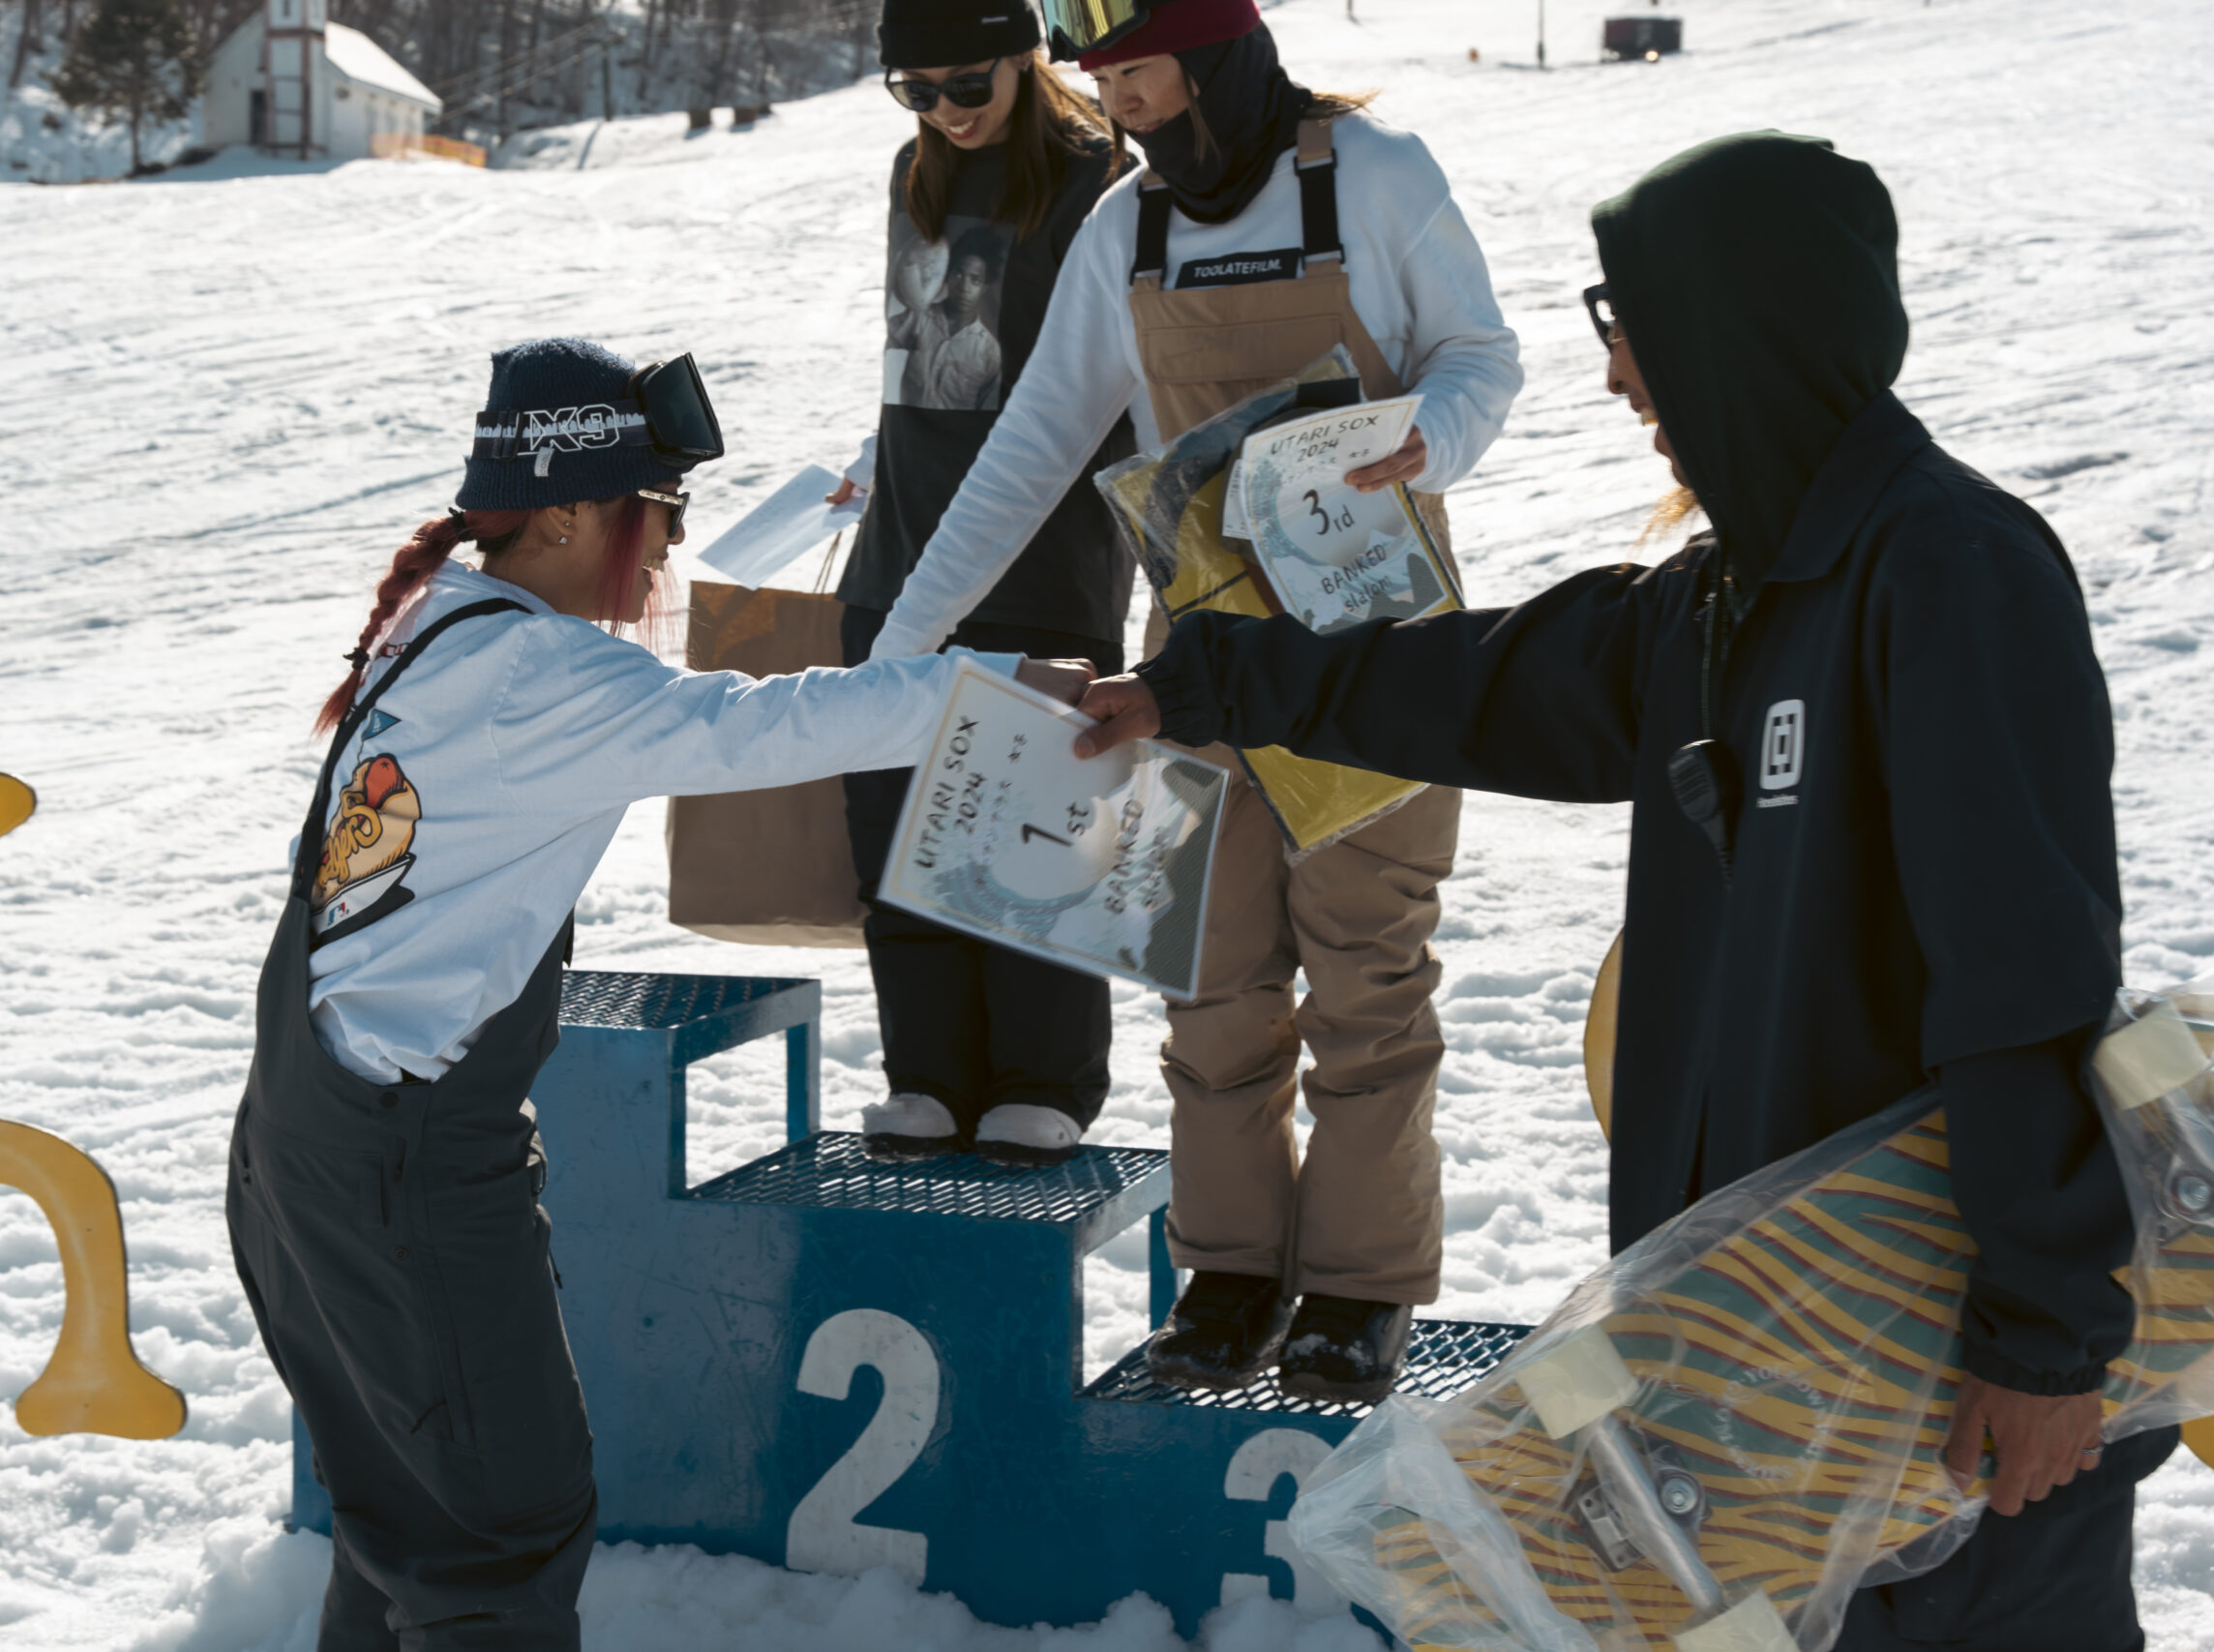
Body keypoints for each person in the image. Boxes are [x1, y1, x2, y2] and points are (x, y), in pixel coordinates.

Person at [1077, 132, 2171, 1651]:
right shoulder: (1725, 600)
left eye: (1631, 324)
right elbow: (1470, 679)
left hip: (1946, 1357)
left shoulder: (1947, 572)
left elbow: (2025, 975)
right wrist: (1195, 681)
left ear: (1745, 325)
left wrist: (2047, 1341)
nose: (1614, 376)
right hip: (1766, 1340)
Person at [227, 337, 1092, 1649]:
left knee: (404, 1509)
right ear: (564, 514)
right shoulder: (543, 674)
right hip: (404, 1167)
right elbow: (765, 726)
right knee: (497, 1530)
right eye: (659, 510)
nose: (672, 546)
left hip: (303, 1144)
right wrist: (1002, 688)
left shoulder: (438, 622)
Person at [868, 0, 1522, 1400]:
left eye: (1142, 71)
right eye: (1103, 79)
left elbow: (1482, 353)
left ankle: (1359, 1289)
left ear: (1217, 48)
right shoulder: (1127, 225)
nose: (1122, 102)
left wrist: (1429, 437)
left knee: (1369, 979)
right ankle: (1226, 1275)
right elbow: (1036, 443)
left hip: (1378, 645)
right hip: (1201, 661)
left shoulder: (1373, 174)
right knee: (1211, 980)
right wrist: (905, 641)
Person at [832, 0, 1136, 1169]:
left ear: (1025, 56)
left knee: (1029, 843)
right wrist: (871, 465)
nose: (945, 112)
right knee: (899, 839)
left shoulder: (1102, 179)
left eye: (968, 84)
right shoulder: (914, 176)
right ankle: (927, 1075)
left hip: (1047, 568)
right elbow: (932, 365)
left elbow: (1108, 388)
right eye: (915, 92)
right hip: (899, 560)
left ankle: (1043, 1080)